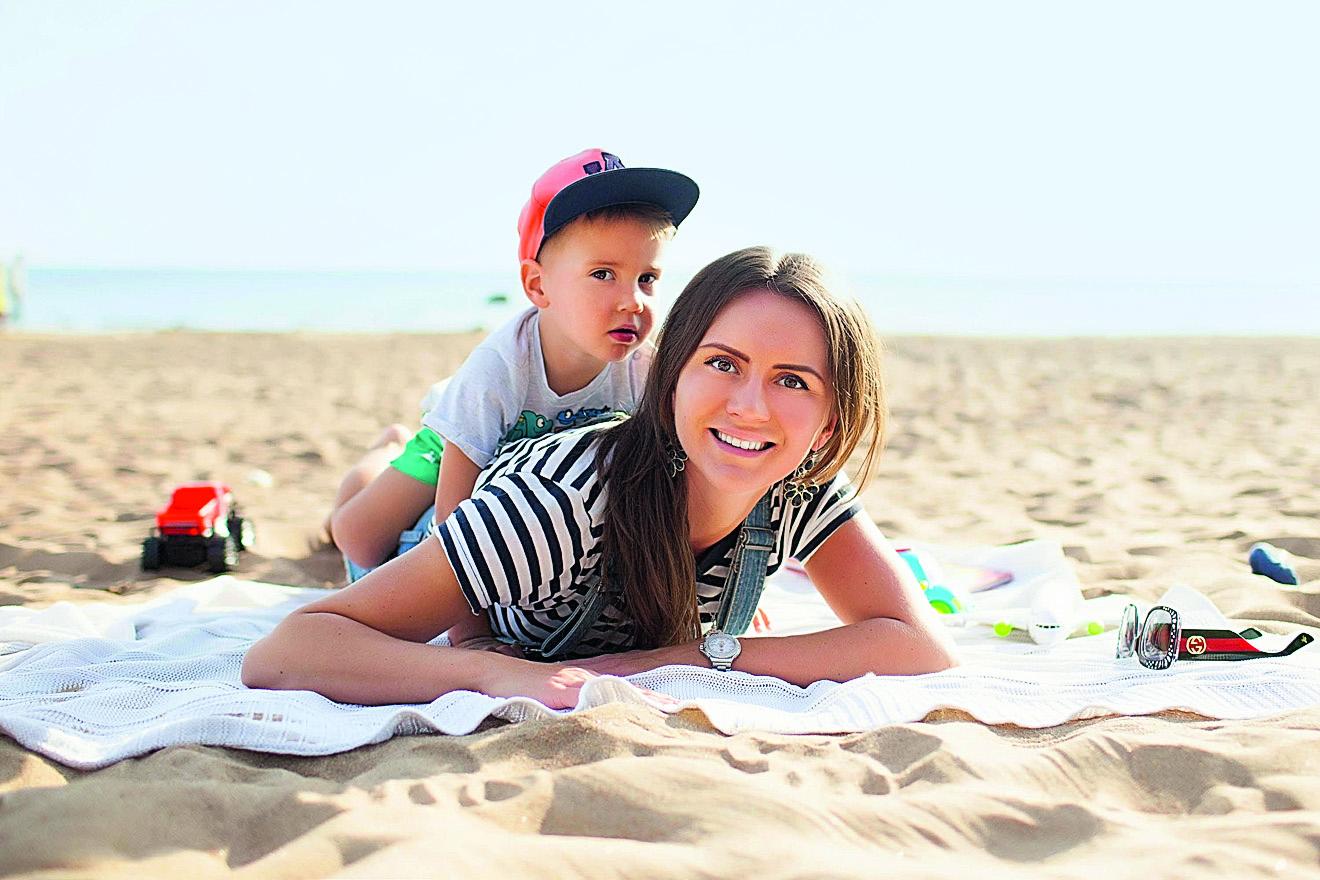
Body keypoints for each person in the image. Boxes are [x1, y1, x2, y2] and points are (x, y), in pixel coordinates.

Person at [244, 247, 959, 708]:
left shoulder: (798, 485)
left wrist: (699, 655)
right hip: (451, 529)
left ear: (830, 421)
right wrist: (495, 672)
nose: (751, 406)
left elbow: (916, 643)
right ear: (669, 378)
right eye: (723, 363)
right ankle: (390, 452)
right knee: (366, 523)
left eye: (793, 380)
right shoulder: (562, 504)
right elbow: (287, 652)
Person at [328, 147, 699, 592]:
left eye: (647, 278)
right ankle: (387, 448)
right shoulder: (500, 368)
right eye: (603, 274)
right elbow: (452, 520)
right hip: (457, 444)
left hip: (521, 473)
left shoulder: (645, 371)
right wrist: (467, 623)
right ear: (538, 285)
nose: (632, 301)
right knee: (360, 540)